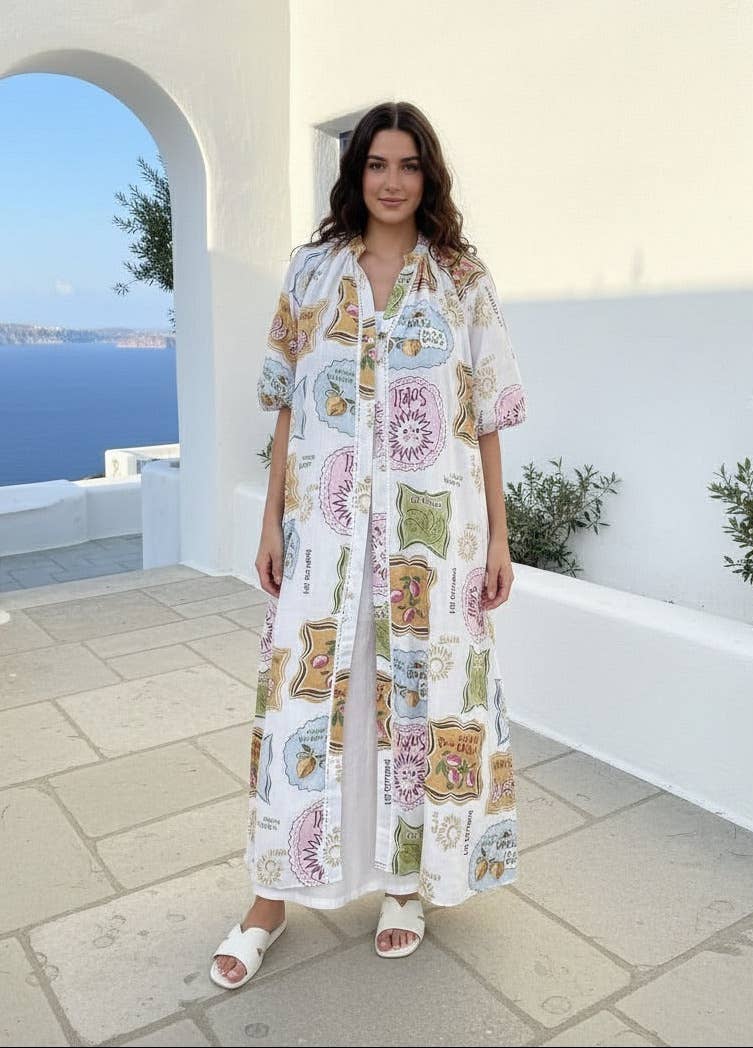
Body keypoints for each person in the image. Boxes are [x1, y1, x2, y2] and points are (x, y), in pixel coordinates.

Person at [210, 100, 528, 989]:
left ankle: (404, 883)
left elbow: (490, 416)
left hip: (437, 542)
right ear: (354, 176)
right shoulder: (311, 273)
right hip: (325, 535)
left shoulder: (460, 277)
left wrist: (500, 538)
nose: (392, 181)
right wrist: (271, 519)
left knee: (424, 707)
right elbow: (282, 403)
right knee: (302, 707)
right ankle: (269, 896)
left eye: (408, 165)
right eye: (376, 164)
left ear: (429, 176)